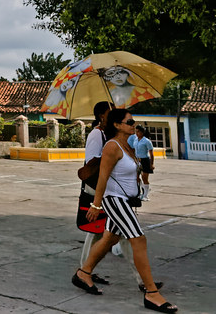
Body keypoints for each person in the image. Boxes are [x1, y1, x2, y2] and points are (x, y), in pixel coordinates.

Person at [73, 109, 176, 312]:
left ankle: (84, 273)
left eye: (133, 121)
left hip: (126, 200)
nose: (133, 124)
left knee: (109, 239)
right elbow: (102, 177)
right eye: (129, 121)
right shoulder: (111, 146)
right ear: (118, 125)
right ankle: (151, 293)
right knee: (138, 239)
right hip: (115, 200)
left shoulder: (128, 145)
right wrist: (96, 204)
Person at [77, 101, 142, 289]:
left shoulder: (112, 136)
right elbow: (91, 163)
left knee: (109, 233)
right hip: (100, 189)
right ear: (101, 116)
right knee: (112, 232)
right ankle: (143, 281)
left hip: (114, 191)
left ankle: (85, 270)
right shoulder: (97, 134)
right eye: (109, 112)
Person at [135, 125, 155, 200]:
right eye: (136, 131)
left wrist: (151, 163)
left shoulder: (146, 141)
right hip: (137, 160)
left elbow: (151, 153)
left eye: (138, 131)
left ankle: (146, 195)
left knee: (144, 177)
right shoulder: (135, 140)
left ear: (142, 132)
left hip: (145, 160)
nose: (137, 133)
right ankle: (141, 191)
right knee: (136, 177)